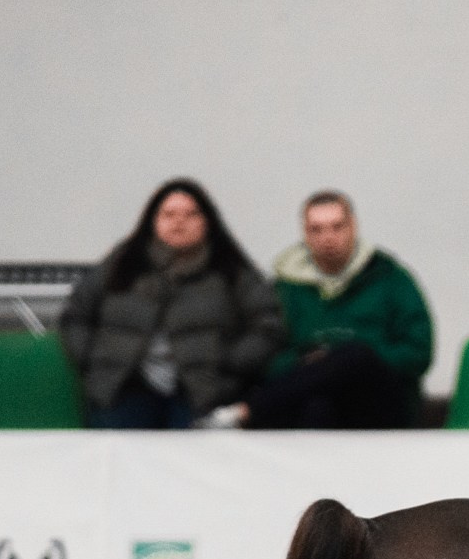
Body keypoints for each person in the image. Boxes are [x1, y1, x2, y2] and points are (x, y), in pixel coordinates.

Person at [60, 179, 284, 429]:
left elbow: (268, 324)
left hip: (205, 391)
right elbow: (75, 316)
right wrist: (96, 360)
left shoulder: (230, 267)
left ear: (207, 222)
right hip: (124, 389)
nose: (179, 222)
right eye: (169, 214)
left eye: (191, 214)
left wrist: (230, 363)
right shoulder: (123, 262)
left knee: (195, 459)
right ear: (152, 220)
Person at [199, 191, 433, 429]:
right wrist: (308, 363)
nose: (328, 237)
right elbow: (265, 354)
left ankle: (246, 411)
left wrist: (349, 360)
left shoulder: (390, 278)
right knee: (318, 405)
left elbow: (419, 352)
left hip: (379, 401)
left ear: (353, 227)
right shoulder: (284, 287)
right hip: (306, 400)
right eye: (317, 229)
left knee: (355, 355)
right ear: (305, 233)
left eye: (337, 227)